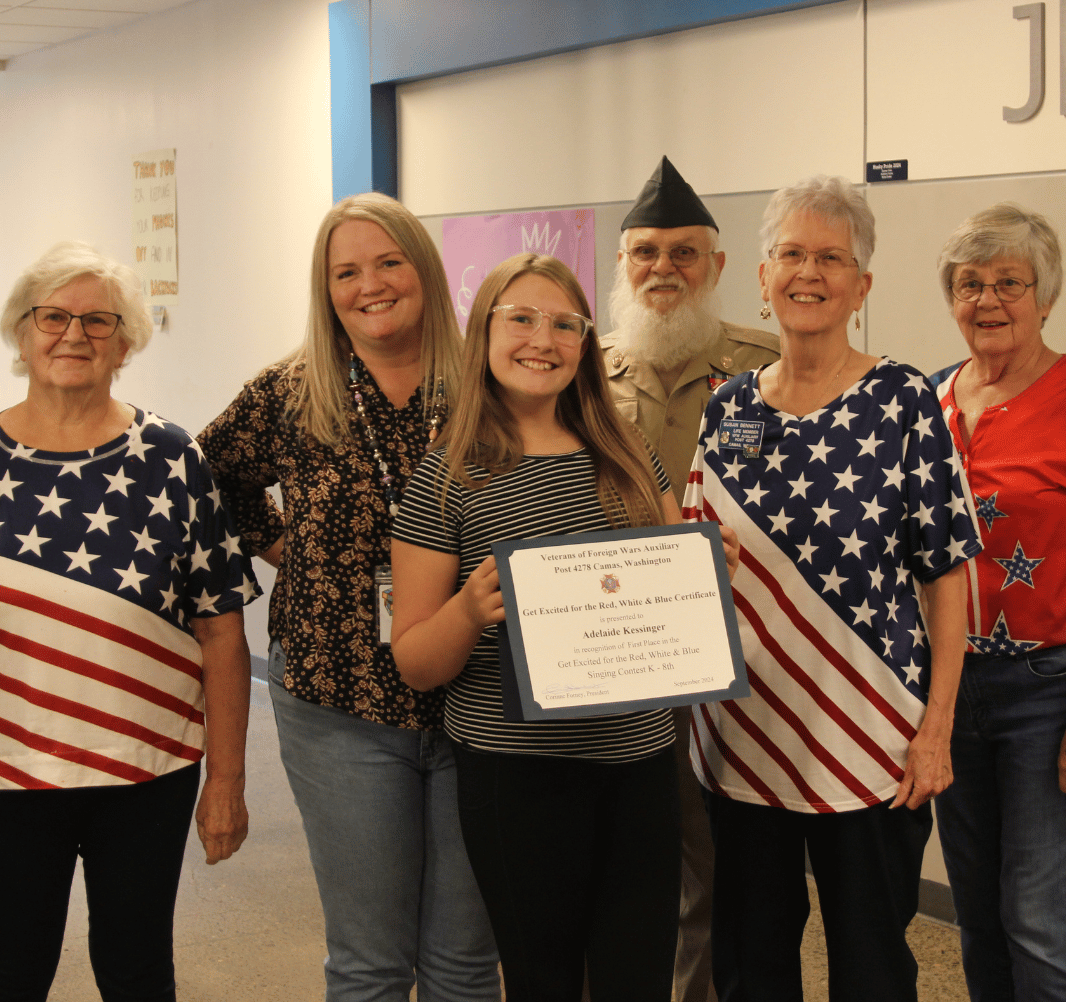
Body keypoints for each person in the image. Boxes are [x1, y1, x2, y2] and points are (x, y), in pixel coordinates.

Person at [390, 251, 740, 1002]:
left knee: (637, 978)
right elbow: (416, 659)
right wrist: (467, 609)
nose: (541, 340)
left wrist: (706, 574)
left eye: (564, 324)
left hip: (640, 766)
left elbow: (680, 607)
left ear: (586, 343)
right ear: (482, 333)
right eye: (520, 318)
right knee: (544, 980)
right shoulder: (447, 474)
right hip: (518, 777)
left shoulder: (627, 454)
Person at [682, 175, 981, 1002]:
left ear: (862, 285)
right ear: (761, 273)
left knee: (873, 964)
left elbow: (947, 574)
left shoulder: (905, 399)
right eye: (791, 254)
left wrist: (937, 729)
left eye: (831, 258)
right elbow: (694, 556)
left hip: (874, 739)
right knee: (752, 965)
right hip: (742, 738)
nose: (808, 273)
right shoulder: (728, 408)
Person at [198, 192, 499, 1002]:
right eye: (346, 272)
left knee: (467, 963)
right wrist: (281, 547)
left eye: (389, 262)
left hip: (480, 694)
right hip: (339, 699)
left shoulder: (489, 383)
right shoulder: (291, 392)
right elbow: (210, 478)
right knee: (369, 963)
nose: (370, 284)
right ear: (325, 289)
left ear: (424, 270)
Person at [0, 242, 256, 1002]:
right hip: (4, 772)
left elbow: (221, 630)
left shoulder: (170, 458)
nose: (74, 334)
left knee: (137, 971)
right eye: (53, 317)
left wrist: (225, 781)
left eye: (98, 320)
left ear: (126, 341)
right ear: (21, 332)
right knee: (8, 970)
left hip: (147, 771)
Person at [602, 155, 779, 1002]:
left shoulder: (767, 368)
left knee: (711, 854)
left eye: (682, 253)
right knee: (612, 849)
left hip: (734, 660)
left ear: (714, 266)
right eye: (645, 253)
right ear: (623, 263)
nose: (662, 269)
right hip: (609, 655)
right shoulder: (578, 375)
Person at [932, 203, 1066, 1002]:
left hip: (1046, 692)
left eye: (1008, 283)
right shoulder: (931, 404)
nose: (987, 300)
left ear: (1044, 296)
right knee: (975, 916)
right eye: (969, 283)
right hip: (951, 689)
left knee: (1039, 921)